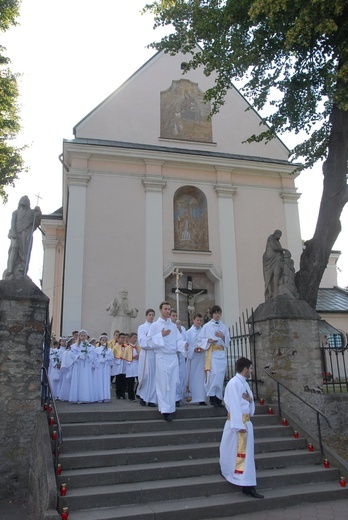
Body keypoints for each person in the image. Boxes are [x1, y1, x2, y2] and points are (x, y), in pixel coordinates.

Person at [220, 357, 264, 499]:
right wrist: (239, 425)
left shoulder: (243, 383)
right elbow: (233, 405)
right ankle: (247, 485)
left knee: (246, 455)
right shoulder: (234, 384)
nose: (251, 371)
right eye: (250, 368)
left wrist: (251, 401)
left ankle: (246, 482)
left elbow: (248, 403)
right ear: (245, 369)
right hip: (238, 425)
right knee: (240, 454)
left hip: (245, 423)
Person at [147, 302, 185, 422]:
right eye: (165, 309)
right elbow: (147, 341)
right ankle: (164, 410)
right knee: (164, 383)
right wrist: (160, 335)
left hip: (172, 357)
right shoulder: (155, 326)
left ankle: (171, 408)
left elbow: (178, 340)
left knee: (173, 383)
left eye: (169, 309)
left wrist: (184, 345)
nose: (167, 311)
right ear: (160, 310)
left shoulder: (173, 326)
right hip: (162, 357)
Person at [3, 195, 42, 280]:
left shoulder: (31, 213)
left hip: (26, 236)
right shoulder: (15, 213)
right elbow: (13, 224)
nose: (24, 200)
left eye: (26, 200)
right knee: (14, 249)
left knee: (25, 253)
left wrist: (38, 211)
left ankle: (21, 270)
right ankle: (10, 270)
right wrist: (14, 233)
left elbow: (36, 221)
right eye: (22, 199)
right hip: (16, 235)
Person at [198, 304, 230, 407]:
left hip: (220, 352)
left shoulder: (223, 326)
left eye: (219, 313)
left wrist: (222, 336)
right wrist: (208, 340)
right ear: (212, 314)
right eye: (215, 313)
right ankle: (212, 397)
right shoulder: (207, 326)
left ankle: (219, 398)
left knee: (220, 376)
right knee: (213, 375)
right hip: (212, 353)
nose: (217, 315)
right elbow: (199, 339)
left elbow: (228, 341)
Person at [185, 313, 208, 405]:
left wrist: (203, 347)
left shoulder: (203, 331)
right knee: (192, 377)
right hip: (193, 358)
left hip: (201, 357)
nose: (199, 322)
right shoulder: (188, 332)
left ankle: (201, 398)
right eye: (197, 320)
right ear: (193, 320)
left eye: (200, 320)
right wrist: (193, 349)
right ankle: (191, 397)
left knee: (201, 377)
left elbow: (206, 341)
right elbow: (187, 345)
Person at [69, 330, 96, 403]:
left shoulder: (90, 346)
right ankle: (77, 397)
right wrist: (78, 356)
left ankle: (86, 397)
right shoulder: (75, 346)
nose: (83, 337)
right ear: (79, 336)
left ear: (86, 336)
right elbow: (72, 354)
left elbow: (93, 355)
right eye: (82, 336)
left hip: (86, 365)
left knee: (86, 379)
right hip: (78, 365)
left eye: (84, 336)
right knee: (78, 379)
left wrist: (88, 356)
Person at [137, 309, 157, 407]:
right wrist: (151, 343)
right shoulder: (142, 327)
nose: (151, 316)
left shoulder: (156, 327)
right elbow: (142, 342)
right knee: (145, 375)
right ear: (146, 316)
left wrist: (153, 343)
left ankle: (152, 399)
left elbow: (158, 340)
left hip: (154, 354)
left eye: (153, 315)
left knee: (154, 376)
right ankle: (142, 396)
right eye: (149, 314)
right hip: (145, 354)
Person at [263, 229, 287, 300]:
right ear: (276, 233)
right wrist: (285, 250)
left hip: (276, 259)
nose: (280, 237)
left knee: (277, 273)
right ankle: (270, 291)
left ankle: (275, 291)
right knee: (269, 277)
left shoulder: (277, 241)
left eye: (280, 235)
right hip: (269, 260)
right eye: (279, 235)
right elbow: (275, 247)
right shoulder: (271, 238)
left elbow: (279, 249)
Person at [170, 309, 187, 407]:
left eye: (176, 315)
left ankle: (179, 396)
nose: (175, 317)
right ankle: (174, 397)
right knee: (174, 377)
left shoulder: (182, 328)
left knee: (181, 376)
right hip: (172, 355)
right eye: (173, 315)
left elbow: (184, 339)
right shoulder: (169, 327)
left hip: (180, 355)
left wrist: (180, 330)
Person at [94, 334, 114, 402]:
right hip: (99, 367)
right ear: (100, 341)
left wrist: (106, 360)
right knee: (99, 381)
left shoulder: (109, 350)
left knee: (105, 381)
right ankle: (99, 396)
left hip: (106, 367)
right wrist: (99, 361)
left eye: (105, 340)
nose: (104, 341)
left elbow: (112, 358)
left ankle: (105, 396)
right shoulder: (96, 350)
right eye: (103, 340)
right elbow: (94, 359)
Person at [124, 333, 140, 401]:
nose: (135, 339)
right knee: (131, 381)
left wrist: (139, 357)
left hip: (137, 365)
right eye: (133, 337)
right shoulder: (127, 348)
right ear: (130, 339)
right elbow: (125, 357)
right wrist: (132, 357)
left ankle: (138, 393)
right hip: (130, 365)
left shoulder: (138, 347)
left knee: (140, 380)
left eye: (136, 337)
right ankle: (131, 397)